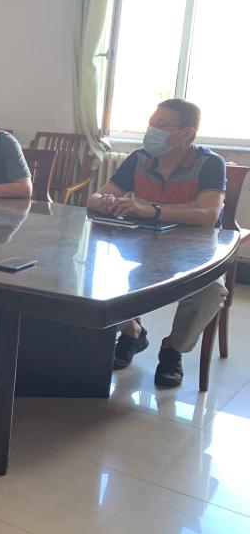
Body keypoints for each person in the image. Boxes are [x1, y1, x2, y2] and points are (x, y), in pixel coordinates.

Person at [88, 98, 226, 389]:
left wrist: (151, 210)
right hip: (140, 245)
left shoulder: (209, 163)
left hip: (194, 251)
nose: (152, 131)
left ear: (186, 133)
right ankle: (133, 333)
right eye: (151, 123)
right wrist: (106, 202)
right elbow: (95, 197)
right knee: (91, 273)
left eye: (161, 125)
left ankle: (173, 349)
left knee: (211, 291)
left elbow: (208, 215)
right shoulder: (139, 159)